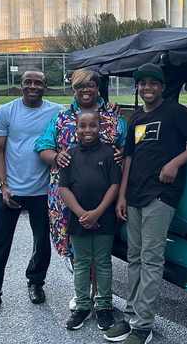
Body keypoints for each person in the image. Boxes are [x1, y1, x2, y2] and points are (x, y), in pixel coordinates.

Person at [105, 63, 187, 344]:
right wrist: (122, 195)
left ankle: (143, 327)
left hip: (161, 195)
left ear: (162, 87)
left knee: (151, 260)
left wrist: (175, 162)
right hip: (135, 195)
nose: (147, 87)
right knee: (135, 258)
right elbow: (129, 158)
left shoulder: (175, 111)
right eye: (142, 83)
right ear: (137, 88)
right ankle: (129, 318)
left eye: (153, 83)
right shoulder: (137, 117)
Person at [0, 70, 65, 318]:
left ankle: (35, 282)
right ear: (21, 85)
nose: (33, 86)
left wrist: (110, 108)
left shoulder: (57, 112)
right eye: (28, 82)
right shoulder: (7, 112)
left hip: (43, 191)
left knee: (42, 240)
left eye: (38, 82)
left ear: (46, 86)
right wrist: (3, 185)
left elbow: (86, 111)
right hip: (11, 189)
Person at [34, 69, 126, 271]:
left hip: (103, 192)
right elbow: (42, 147)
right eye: (79, 86)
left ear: (98, 88)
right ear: (73, 90)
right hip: (66, 192)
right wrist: (56, 156)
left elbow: (128, 147)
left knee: (99, 243)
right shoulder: (61, 119)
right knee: (72, 241)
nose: (85, 90)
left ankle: (97, 294)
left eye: (90, 85)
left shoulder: (113, 118)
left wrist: (121, 152)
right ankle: (82, 292)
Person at [60, 110, 121, 331]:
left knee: (103, 262)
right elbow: (63, 188)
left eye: (93, 125)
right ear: (75, 129)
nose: (88, 130)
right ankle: (82, 306)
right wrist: (81, 214)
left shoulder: (109, 154)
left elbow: (114, 185)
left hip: (104, 217)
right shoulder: (69, 155)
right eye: (83, 126)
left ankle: (104, 306)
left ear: (100, 127)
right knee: (82, 263)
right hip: (77, 220)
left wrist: (97, 213)